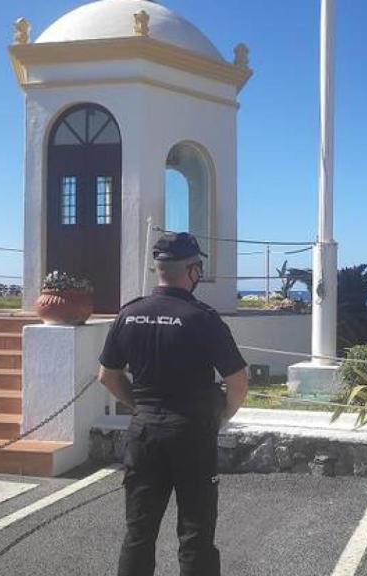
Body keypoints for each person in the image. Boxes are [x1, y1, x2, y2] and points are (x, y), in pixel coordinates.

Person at [97, 231, 249, 576]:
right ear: (192, 270)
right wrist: (222, 416)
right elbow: (238, 382)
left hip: (144, 434)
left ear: (159, 269)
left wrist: (141, 407)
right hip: (192, 434)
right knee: (196, 535)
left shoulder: (129, 314)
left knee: (139, 533)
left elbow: (107, 375)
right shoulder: (202, 318)